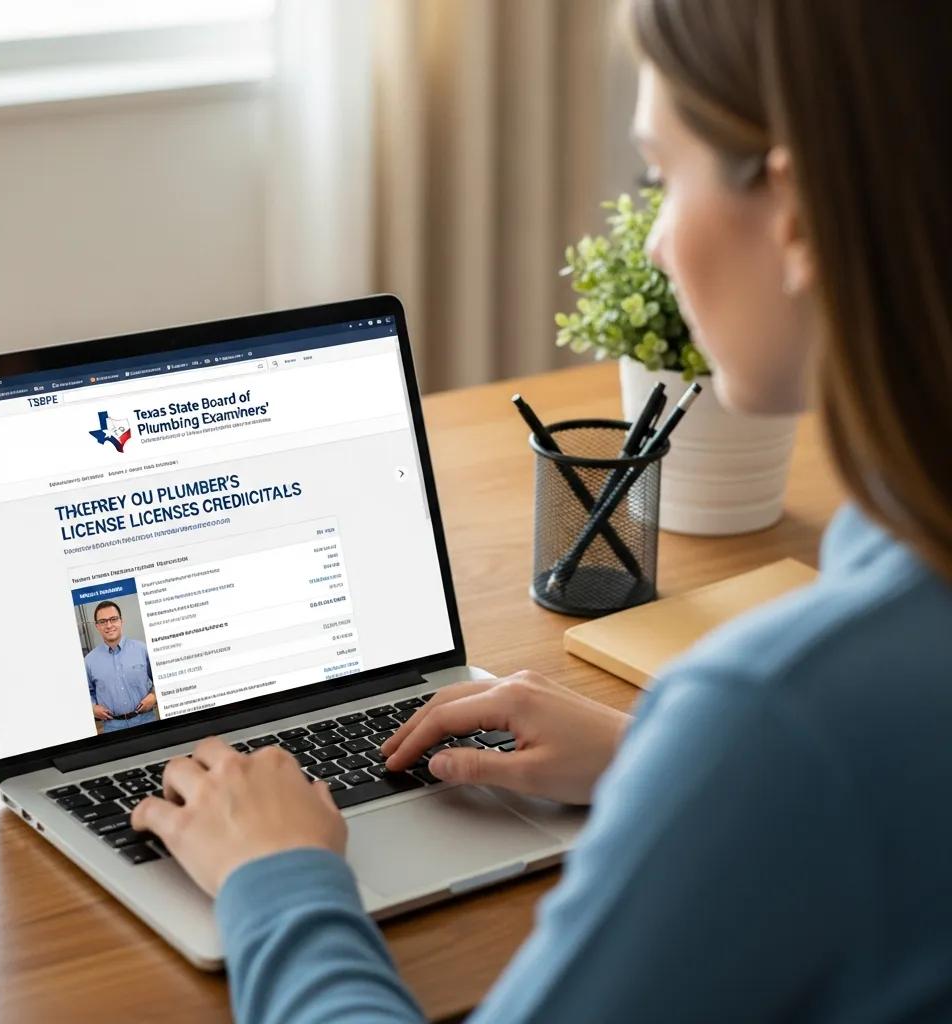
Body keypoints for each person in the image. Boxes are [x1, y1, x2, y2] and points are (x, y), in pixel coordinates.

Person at [132, 1, 952, 1019]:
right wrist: (659, 757)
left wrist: (277, 876)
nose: (652, 244)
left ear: (793, 216)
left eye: (662, 176)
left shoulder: (779, 713)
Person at [85, 600, 157, 733]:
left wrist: (154, 696)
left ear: (121, 621)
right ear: (97, 626)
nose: (109, 625)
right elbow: (86, 693)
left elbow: (161, 680)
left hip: (146, 721)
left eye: (113, 619)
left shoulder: (142, 649)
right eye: (103, 621)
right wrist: (92, 708)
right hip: (112, 728)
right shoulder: (89, 661)